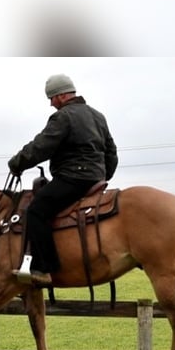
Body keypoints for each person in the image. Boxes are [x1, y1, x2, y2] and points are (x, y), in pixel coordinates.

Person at [8, 73, 118, 285]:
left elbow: (42, 146)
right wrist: (103, 176)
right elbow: (111, 151)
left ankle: (44, 269)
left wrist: (17, 164)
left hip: (73, 177)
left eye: (51, 98)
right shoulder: (97, 116)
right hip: (95, 179)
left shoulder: (63, 117)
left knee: (36, 210)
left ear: (60, 96)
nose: (51, 104)